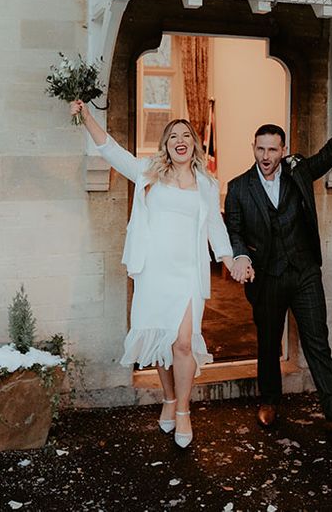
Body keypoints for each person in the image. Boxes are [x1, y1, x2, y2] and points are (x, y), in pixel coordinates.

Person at [69, 100, 251, 448]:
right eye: (173, 137)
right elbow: (110, 150)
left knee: (183, 342)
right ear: (166, 146)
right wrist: (87, 116)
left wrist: (230, 260)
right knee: (163, 343)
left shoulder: (207, 184)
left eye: (186, 135)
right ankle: (169, 398)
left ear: (194, 143)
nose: (180, 140)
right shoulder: (148, 173)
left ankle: (183, 410)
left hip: (188, 273)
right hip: (154, 271)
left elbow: (215, 226)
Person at [224, 93, 332, 439]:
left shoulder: (298, 172)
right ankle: (269, 401)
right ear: (254, 148)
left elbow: (331, 153)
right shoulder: (238, 188)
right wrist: (241, 256)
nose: (265, 156)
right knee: (268, 343)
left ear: (283, 150)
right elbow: (233, 230)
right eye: (260, 149)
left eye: (272, 150)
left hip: (304, 273)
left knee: (318, 342)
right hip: (266, 278)